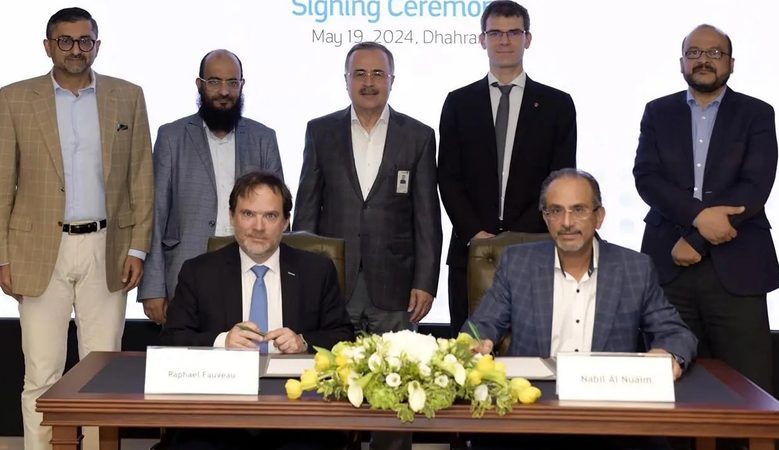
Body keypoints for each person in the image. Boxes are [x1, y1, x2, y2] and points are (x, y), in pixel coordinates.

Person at [0, 7, 153, 450]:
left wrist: (138, 248)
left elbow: (141, 175)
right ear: (48, 46)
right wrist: (3, 256)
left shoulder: (127, 96)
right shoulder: (13, 99)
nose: (75, 49)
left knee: (101, 373)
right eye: (65, 41)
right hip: (36, 249)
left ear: (97, 46)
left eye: (85, 40)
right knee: (41, 373)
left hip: (109, 248)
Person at [293, 41, 441, 450]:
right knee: (331, 384)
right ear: (346, 80)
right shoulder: (320, 131)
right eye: (360, 74)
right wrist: (301, 279)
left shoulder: (420, 136)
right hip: (331, 283)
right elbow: (305, 212)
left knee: (397, 391)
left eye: (378, 74)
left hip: (394, 285)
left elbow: (427, 216)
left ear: (392, 79)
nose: (369, 82)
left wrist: (426, 281)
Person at [633, 24, 779, 392]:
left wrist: (695, 240)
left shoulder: (757, 113)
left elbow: (755, 185)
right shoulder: (658, 112)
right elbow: (646, 176)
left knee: (749, 390)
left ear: (731, 63)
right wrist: (698, 218)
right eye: (694, 53)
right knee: (664, 386)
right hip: (668, 266)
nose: (704, 60)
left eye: (715, 53)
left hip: (739, 265)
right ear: (681, 62)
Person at [162, 171, 351, 449]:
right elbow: (171, 339)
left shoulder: (317, 271)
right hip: (218, 411)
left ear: (286, 221)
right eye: (248, 214)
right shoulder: (198, 271)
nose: (258, 226)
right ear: (232, 217)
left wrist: (304, 342)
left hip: (297, 411)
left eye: (270, 216)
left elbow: (344, 336)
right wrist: (221, 341)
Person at [468, 169, 696, 374]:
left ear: (599, 217)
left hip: (605, 397)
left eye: (578, 210)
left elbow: (676, 334)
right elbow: (482, 325)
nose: (566, 222)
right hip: (533, 397)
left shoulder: (634, 269)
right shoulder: (518, 263)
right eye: (555, 211)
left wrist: (669, 354)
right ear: (545, 219)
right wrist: (476, 342)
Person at [438, 0, 577, 336]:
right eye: (495, 33)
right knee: (467, 355)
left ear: (528, 39)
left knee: (533, 348)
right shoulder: (458, 102)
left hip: (535, 248)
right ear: (482, 40)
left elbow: (559, 181)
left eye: (513, 32)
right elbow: (448, 177)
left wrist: (517, 238)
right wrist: (477, 234)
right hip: (471, 250)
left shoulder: (557, 105)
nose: (504, 41)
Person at [138, 49, 283, 325]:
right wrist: (153, 288)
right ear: (200, 85)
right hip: (185, 272)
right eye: (214, 82)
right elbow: (154, 215)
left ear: (242, 85)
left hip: (252, 270)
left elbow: (278, 213)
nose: (224, 91)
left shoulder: (264, 137)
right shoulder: (171, 137)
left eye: (232, 82)